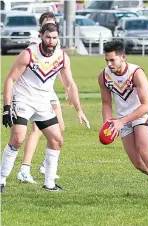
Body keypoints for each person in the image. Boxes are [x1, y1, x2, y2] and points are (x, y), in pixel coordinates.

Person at [1, 23, 90, 193]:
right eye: (48, 37)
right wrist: (6, 108)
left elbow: (70, 85)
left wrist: (78, 109)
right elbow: (10, 80)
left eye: (54, 38)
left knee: (57, 140)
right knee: (18, 139)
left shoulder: (62, 57)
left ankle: (49, 184)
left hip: (43, 103)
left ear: (58, 39)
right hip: (23, 99)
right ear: (41, 36)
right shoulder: (28, 54)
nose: (51, 41)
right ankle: (1, 179)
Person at [98, 40, 148, 200]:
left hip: (141, 114)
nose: (109, 64)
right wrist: (108, 124)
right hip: (123, 118)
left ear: (123, 57)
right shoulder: (103, 76)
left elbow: (147, 105)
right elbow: (106, 103)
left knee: (144, 151)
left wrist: (122, 122)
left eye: (112, 60)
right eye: (107, 60)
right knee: (139, 164)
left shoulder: (136, 73)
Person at [16, 12, 68, 184]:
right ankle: (25, 168)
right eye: (47, 23)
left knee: (59, 128)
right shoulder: (36, 45)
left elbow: (58, 67)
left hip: (48, 89)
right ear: (41, 28)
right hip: (35, 92)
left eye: (52, 23)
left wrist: (66, 85)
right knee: (36, 130)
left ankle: (46, 165)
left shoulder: (56, 45)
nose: (50, 25)